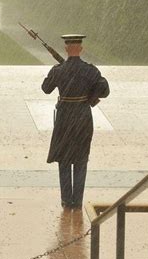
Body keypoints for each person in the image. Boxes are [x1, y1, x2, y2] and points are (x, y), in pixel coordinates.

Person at [42, 34, 109, 209]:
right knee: (80, 160)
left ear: (66, 49)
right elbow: (105, 90)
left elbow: (46, 89)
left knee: (64, 159)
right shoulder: (90, 70)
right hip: (82, 116)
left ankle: (66, 200)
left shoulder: (59, 70)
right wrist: (89, 97)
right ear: (81, 49)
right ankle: (77, 201)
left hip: (65, 118)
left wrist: (56, 71)